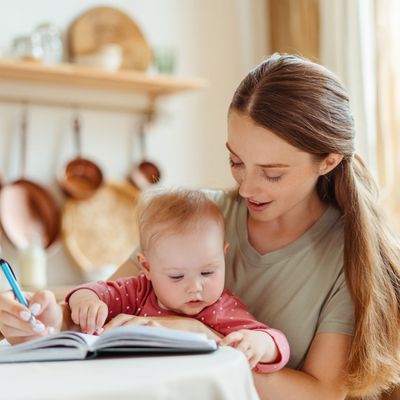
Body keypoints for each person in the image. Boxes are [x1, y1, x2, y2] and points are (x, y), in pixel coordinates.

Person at [0, 53, 399, 399]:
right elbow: (115, 302)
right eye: (236, 162)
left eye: (272, 174)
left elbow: (318, 395)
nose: (246, 188)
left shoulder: (349, 255)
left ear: (327, 162)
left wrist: (206, 340)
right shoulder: (201, 215)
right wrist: (52, 317)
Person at [64, 189, 289, 372]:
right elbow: (94, 291)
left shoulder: (223, 309)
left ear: (223, 254)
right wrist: (86, 301)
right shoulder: (139, 291)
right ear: (147, 267)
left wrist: (262, 344)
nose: (195, 287)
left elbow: (274, 340)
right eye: (177, 276)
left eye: (208, 272)